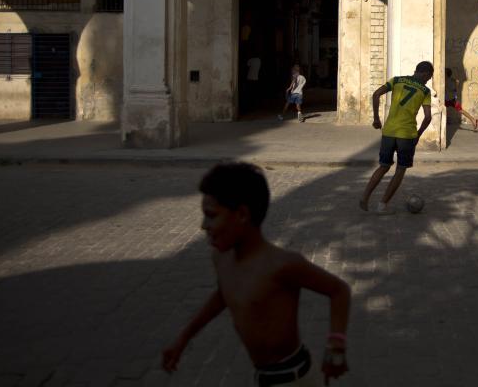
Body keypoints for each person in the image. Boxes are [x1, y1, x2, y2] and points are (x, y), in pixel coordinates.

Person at [162, 162, 351, 386]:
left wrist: (336, 346)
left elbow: (339, 290)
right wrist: (183, 338)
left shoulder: (282, 265)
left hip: (297, 378)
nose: (204, 225)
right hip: (262, 378)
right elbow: (225, 293)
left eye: (211, 215)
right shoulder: (221, 259)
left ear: (242, 214)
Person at [359, 61, 434, 214]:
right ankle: (382, 205)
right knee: (400, 170)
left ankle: (365, 197)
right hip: (407, 135)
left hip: (388, 132)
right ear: (425, 73)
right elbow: (427, 117)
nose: (428, 80)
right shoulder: (425, 91)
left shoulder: (397, 80)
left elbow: (376, 94)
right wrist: (418, 135)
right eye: (429, 77)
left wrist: (376, 118)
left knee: (383, 166)